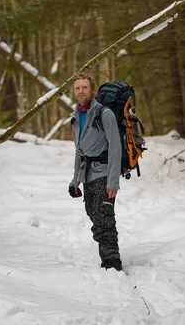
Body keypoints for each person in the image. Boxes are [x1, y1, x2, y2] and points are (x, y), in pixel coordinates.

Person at [68, 73, 123, 271]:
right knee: (92, 212)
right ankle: (106, 256)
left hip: (104, 172)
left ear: (92, 90)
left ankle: (112, 262)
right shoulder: (75, 116)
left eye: (84, 87)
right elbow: (79, 151)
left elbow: (115, 147)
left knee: (104, 215)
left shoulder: (104, 113)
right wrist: (75, 180)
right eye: (77, 88)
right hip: (87, 174)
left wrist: (113, 182)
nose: (81, 91)